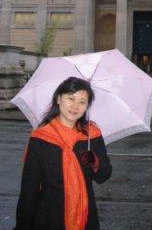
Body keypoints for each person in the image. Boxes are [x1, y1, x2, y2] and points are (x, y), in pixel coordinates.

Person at [14, 76, 112, 230]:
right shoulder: (40, 139)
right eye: (71, 98)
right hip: (48, 218)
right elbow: (29, 190)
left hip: (85, 217)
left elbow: (104, 176)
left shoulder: (91, 135)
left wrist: (96, 163)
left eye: (82, 102)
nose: (75, 106)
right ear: (58, 98)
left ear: (87, 106)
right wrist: (22, 225)